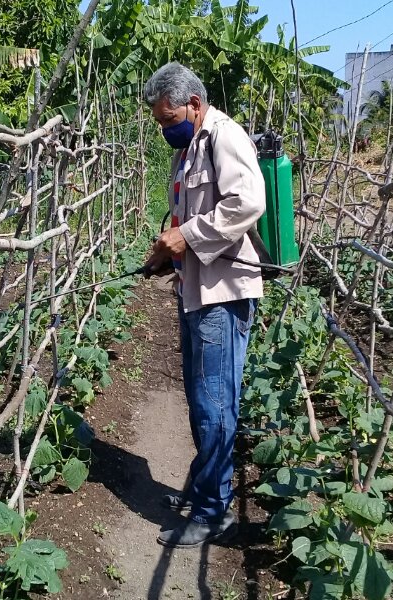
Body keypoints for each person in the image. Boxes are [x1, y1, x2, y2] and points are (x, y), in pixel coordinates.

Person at [142, 62, 266, 548]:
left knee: (215, 404)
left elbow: (247, 202)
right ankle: (204, 485)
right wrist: (162, 254)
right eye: (159, 121)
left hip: (224, 293)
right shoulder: (189, 148)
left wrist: (185, 236)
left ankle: (215, 511)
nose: (165, 128)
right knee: (199, 399)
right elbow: (184, 218)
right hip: (195, 290)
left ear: (194, 104)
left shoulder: (224, 136)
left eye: (169, 117)